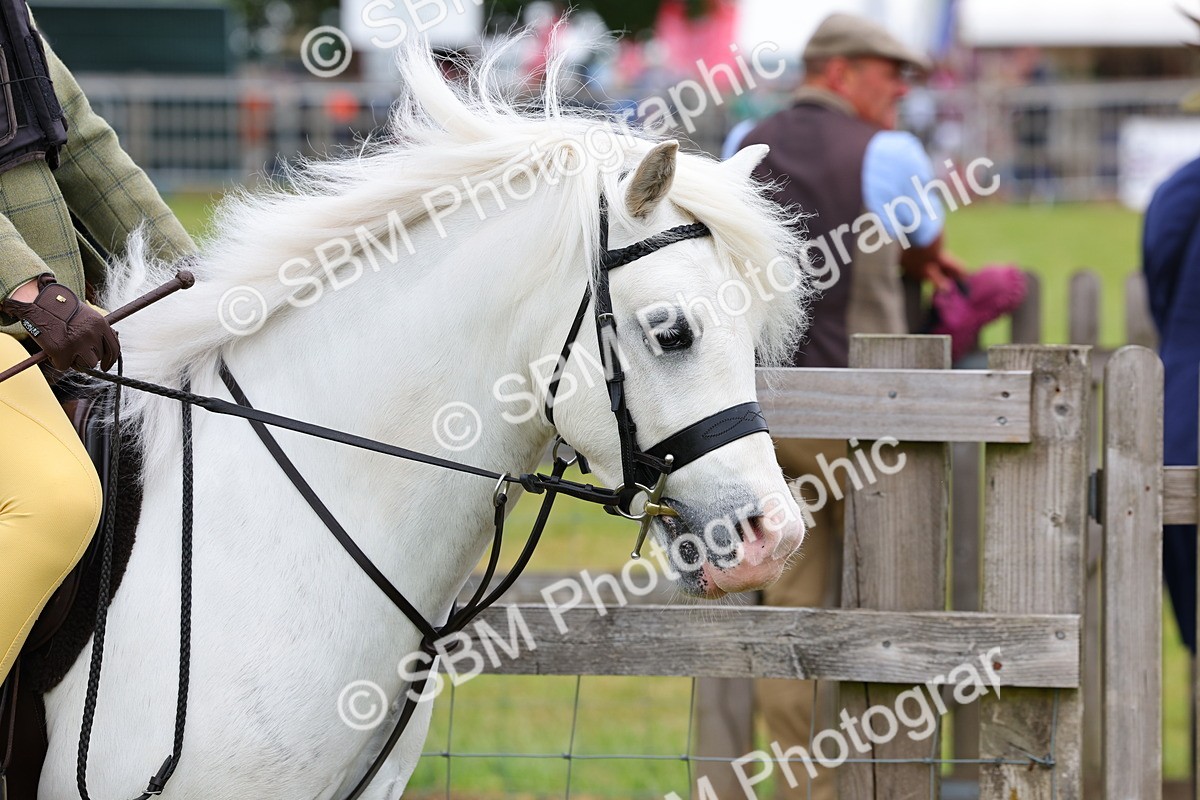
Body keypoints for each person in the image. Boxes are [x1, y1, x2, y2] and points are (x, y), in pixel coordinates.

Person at [735, 13, 966, 798]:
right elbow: (926, 238)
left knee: (792, 605)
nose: (902, 88)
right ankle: (894, 780)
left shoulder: (745, 141)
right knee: (895, 597)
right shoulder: (890, 153)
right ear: (838, 73)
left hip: (767, 416)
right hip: (863, 417)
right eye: (887, 72)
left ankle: (807, 787)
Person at [0, 1, 196, 689]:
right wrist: (31, 290)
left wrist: (214, 288)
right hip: (18, 320)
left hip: (39, 318)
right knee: (55, 500)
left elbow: (84, 144)